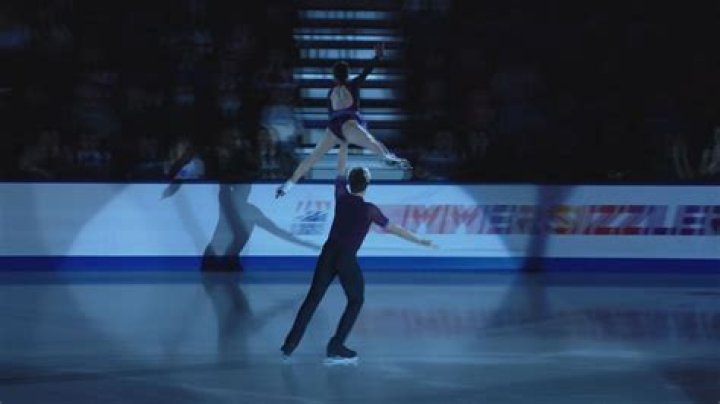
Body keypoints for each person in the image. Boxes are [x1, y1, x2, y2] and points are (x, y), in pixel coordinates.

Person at [280, 142, 436, 364]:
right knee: (356, 299)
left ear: (350, 182)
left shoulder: (341, 197)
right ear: (367, 184)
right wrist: (419, 240)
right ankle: (336, 346)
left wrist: (343, 142)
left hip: (328, 253)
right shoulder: (369, 210)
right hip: (345, 258)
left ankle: (289, 346)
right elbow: (395, 229)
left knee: (312, 299)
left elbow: (340, 168)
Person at [275, 43, 410, 198]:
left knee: (313, 157)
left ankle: (288, 185)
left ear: (334, 76)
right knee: (371, 141)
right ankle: (386, 156)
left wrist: (339, 138)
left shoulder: (331, 92)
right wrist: (377, 57)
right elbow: (365, 72)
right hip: (349, 125)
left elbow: (331, 114)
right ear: (347, 74)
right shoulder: (353, 84)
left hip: (333, 128)